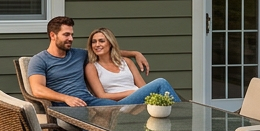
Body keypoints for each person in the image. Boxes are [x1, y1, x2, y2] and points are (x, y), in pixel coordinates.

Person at [28, 16, 179, 108]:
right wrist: (66, 98)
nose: (71, 39)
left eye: (72, 35)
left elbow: (105, 50)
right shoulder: (39, 60)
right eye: (66, 35)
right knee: (99, 113)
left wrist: (134, 53)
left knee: (112, 108)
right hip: (66, 104)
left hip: (89, 101)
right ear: (53, 35)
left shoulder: (78, 54)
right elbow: (38, 89)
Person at [84, 27, 164, 102]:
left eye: (101, 41)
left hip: (139, 98)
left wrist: (135, 53)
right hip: (121, 103)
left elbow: (143, 87)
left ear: (110, 43)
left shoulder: (126, 62)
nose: (97, 45)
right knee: (161, 82)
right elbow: (102, 96)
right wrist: (131, 93)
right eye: (94, 42)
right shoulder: (92, 67)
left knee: (163, 98)